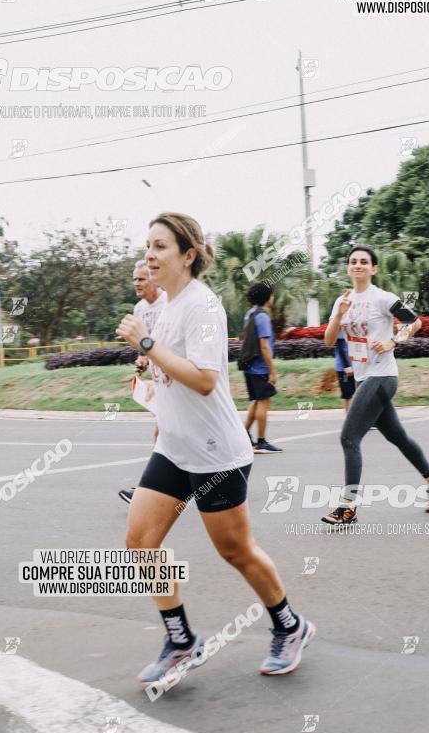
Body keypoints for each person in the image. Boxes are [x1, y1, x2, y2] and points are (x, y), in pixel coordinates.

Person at [116, 212, 314, 684]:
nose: (149, 254)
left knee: (235, 550)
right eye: (147, 245)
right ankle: (181, 639)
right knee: (141, 542)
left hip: (216, 453)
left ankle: (291, 626)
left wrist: (144, 343)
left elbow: (205, 380)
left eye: (160, 246)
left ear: (188, 255)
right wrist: (148, 363)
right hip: (175, 448)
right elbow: (168, 367)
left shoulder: (202, 306)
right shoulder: (164, 304)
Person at [320, 244, 429, 525]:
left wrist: (393, 341)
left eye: (364, 262)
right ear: (348, 267)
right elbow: (330, 341)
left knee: (348, 438)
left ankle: (348, 506)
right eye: (353, 261)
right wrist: (340, 314)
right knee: (397, 437)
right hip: (363, 378)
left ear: (374, 268)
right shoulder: (342, 300)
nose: (358, 265)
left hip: (383, 376)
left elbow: (414, 323)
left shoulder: (382, 298)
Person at [118, 261, 167, 505]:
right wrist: (142, 361)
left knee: (164, 430)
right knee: (168, 431)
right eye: (134, 279)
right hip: (160, 376)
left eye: (142, 279)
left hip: (175, 374)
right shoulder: (138, 309)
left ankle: (147, 491)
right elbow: (145, 343)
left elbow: (166, 341)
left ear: (154, 279)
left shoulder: (168, 301)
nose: (136, 283)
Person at [242, 282, 282, 454]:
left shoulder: (249, 314)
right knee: (264, 403)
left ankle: (243, 435)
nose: (272, 297)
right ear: (267, 297)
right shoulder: (263, 317)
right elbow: (264, 346)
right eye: (271, 295)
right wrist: (271, 370)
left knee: (257, 401)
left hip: (249, 366)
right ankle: (261, 441)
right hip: (260, 368)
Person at [334, 334, 355, 412]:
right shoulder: (341, 326)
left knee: (357, 394)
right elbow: (339, 346)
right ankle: (349, 419)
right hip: (344, 368)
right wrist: (346, 366)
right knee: (347, 395)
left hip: (356, 366)